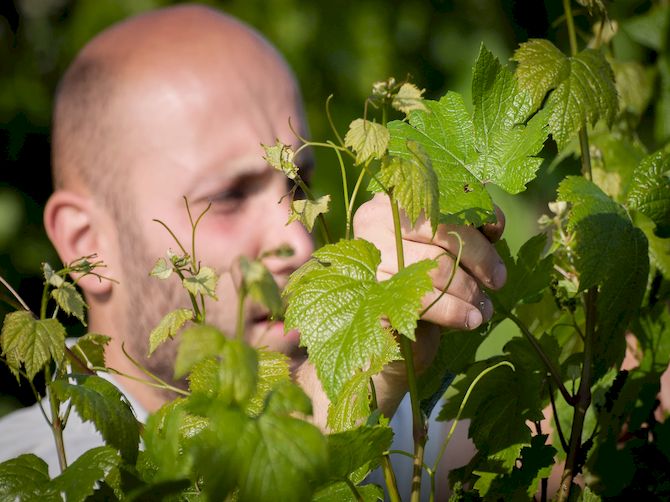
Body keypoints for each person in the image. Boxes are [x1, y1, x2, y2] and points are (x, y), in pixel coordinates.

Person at [0, 3, 506, 487]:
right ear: (87, 245)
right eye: (227, 197)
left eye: (298, 184)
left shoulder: (391, 425)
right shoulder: (32, 476)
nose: (297, 242)